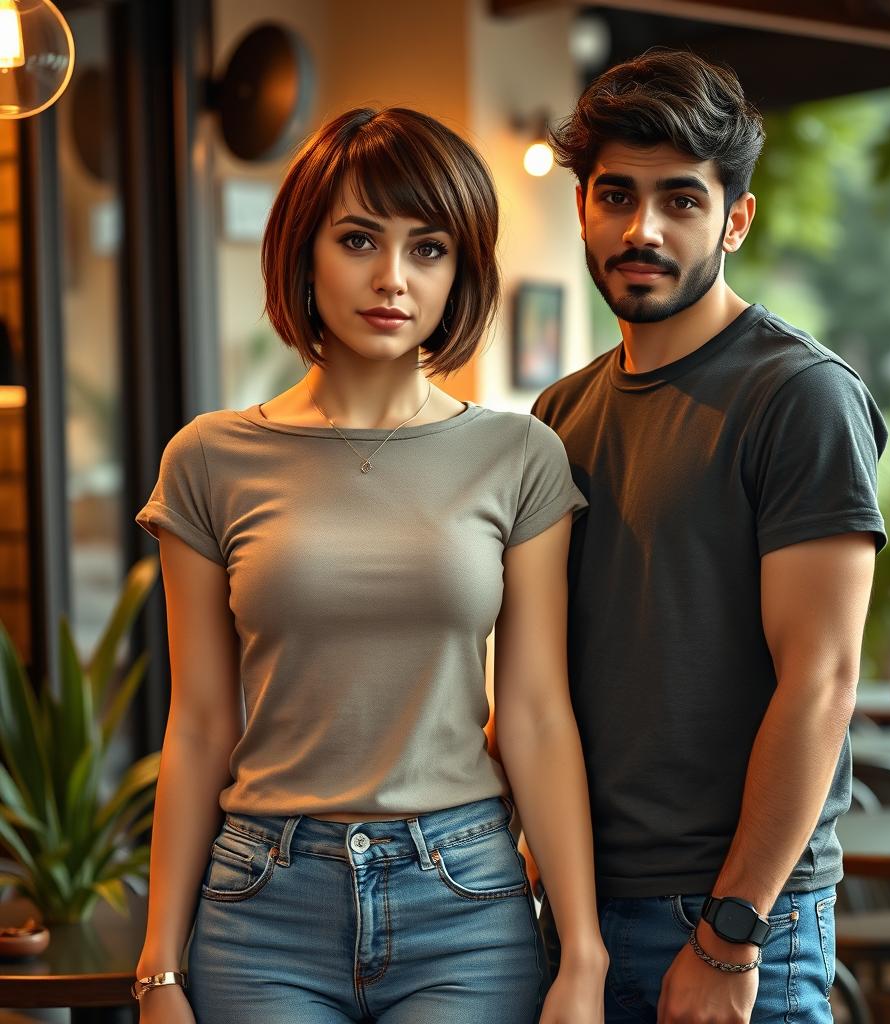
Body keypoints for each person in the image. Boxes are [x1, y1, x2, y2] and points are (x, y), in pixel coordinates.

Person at [133, 106, 608, 1024]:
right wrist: (159, 967)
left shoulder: (520, 457)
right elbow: (197, 725)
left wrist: (580, 953)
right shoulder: (207, 459)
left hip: (464, 899)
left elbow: (540, 712)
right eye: (359, 239)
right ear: (303, 253)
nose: (392, 278)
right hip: (262, 901)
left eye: (428, 249)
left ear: (461, 270)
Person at [532, 50, 887, 1024]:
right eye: (617, 195)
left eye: (681, 200)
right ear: (583, 209)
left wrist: (730, 936)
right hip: (578, 918)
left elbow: (820, 680)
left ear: (735, 217)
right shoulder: (559, 413)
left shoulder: (799, 396)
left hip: (730, 917)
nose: (642, 228)